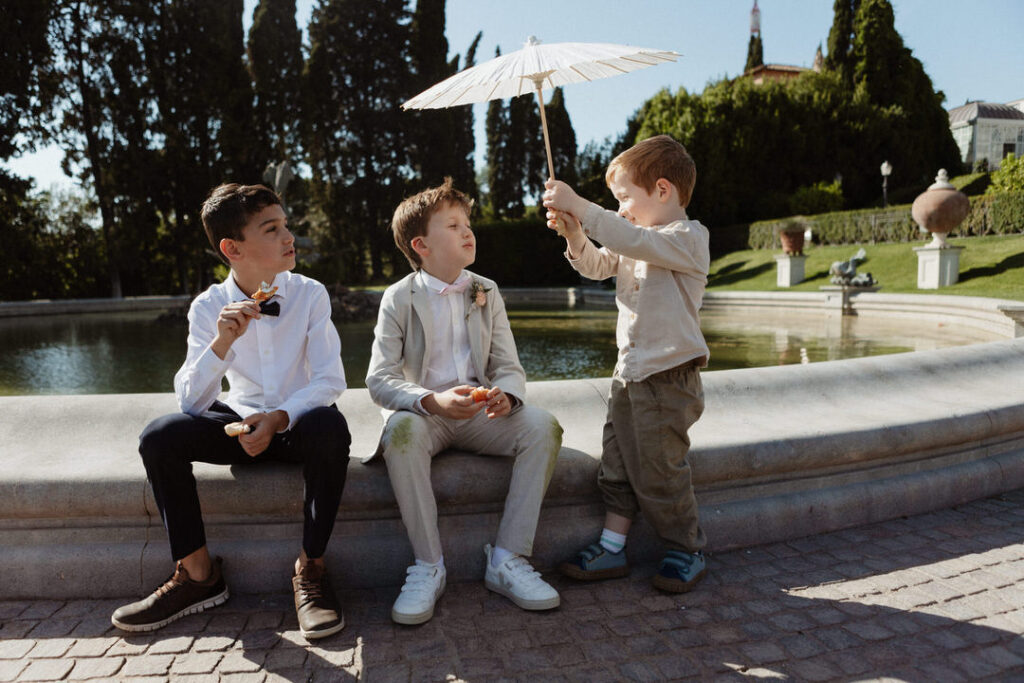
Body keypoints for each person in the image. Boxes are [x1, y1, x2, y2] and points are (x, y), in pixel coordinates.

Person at [111, 184, 351, 639]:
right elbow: (192, 402)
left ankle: (311, 569)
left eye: (286, 225)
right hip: (237, 425)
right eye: (272, 228)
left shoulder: (310, 294)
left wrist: (279, 417)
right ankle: (199, 576)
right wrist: (222, 343)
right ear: (232, 248)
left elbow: (329, 380)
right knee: (159, 436)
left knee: (330, 426)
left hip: (296, 425)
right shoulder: (206, 306)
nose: (288, 236)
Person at [365, 178, 563, 625]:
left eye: (467, 222)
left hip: (479, 413)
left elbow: (509, 364)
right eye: (453, 225)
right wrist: (430, 401)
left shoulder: (487, 290)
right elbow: (379, 379)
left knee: (543, 426)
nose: (467, 231)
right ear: (421, 245)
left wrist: (507, 396)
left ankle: (508, 560)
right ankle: (428, 565)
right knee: (399, 432)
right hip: (425, 415)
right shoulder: (397, 298)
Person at [541, 134, 711, 593]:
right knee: (615, 465)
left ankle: (686, 547)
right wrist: (576, 233)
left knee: (660, 467)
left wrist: (581, 203)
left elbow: (627, 236)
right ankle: (612, 546)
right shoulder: (636, 240)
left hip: (667, 378)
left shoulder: (687, 239)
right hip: (629, 376)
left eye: (623, 198)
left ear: (662, 191)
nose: (619, 209)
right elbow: (598, 264)